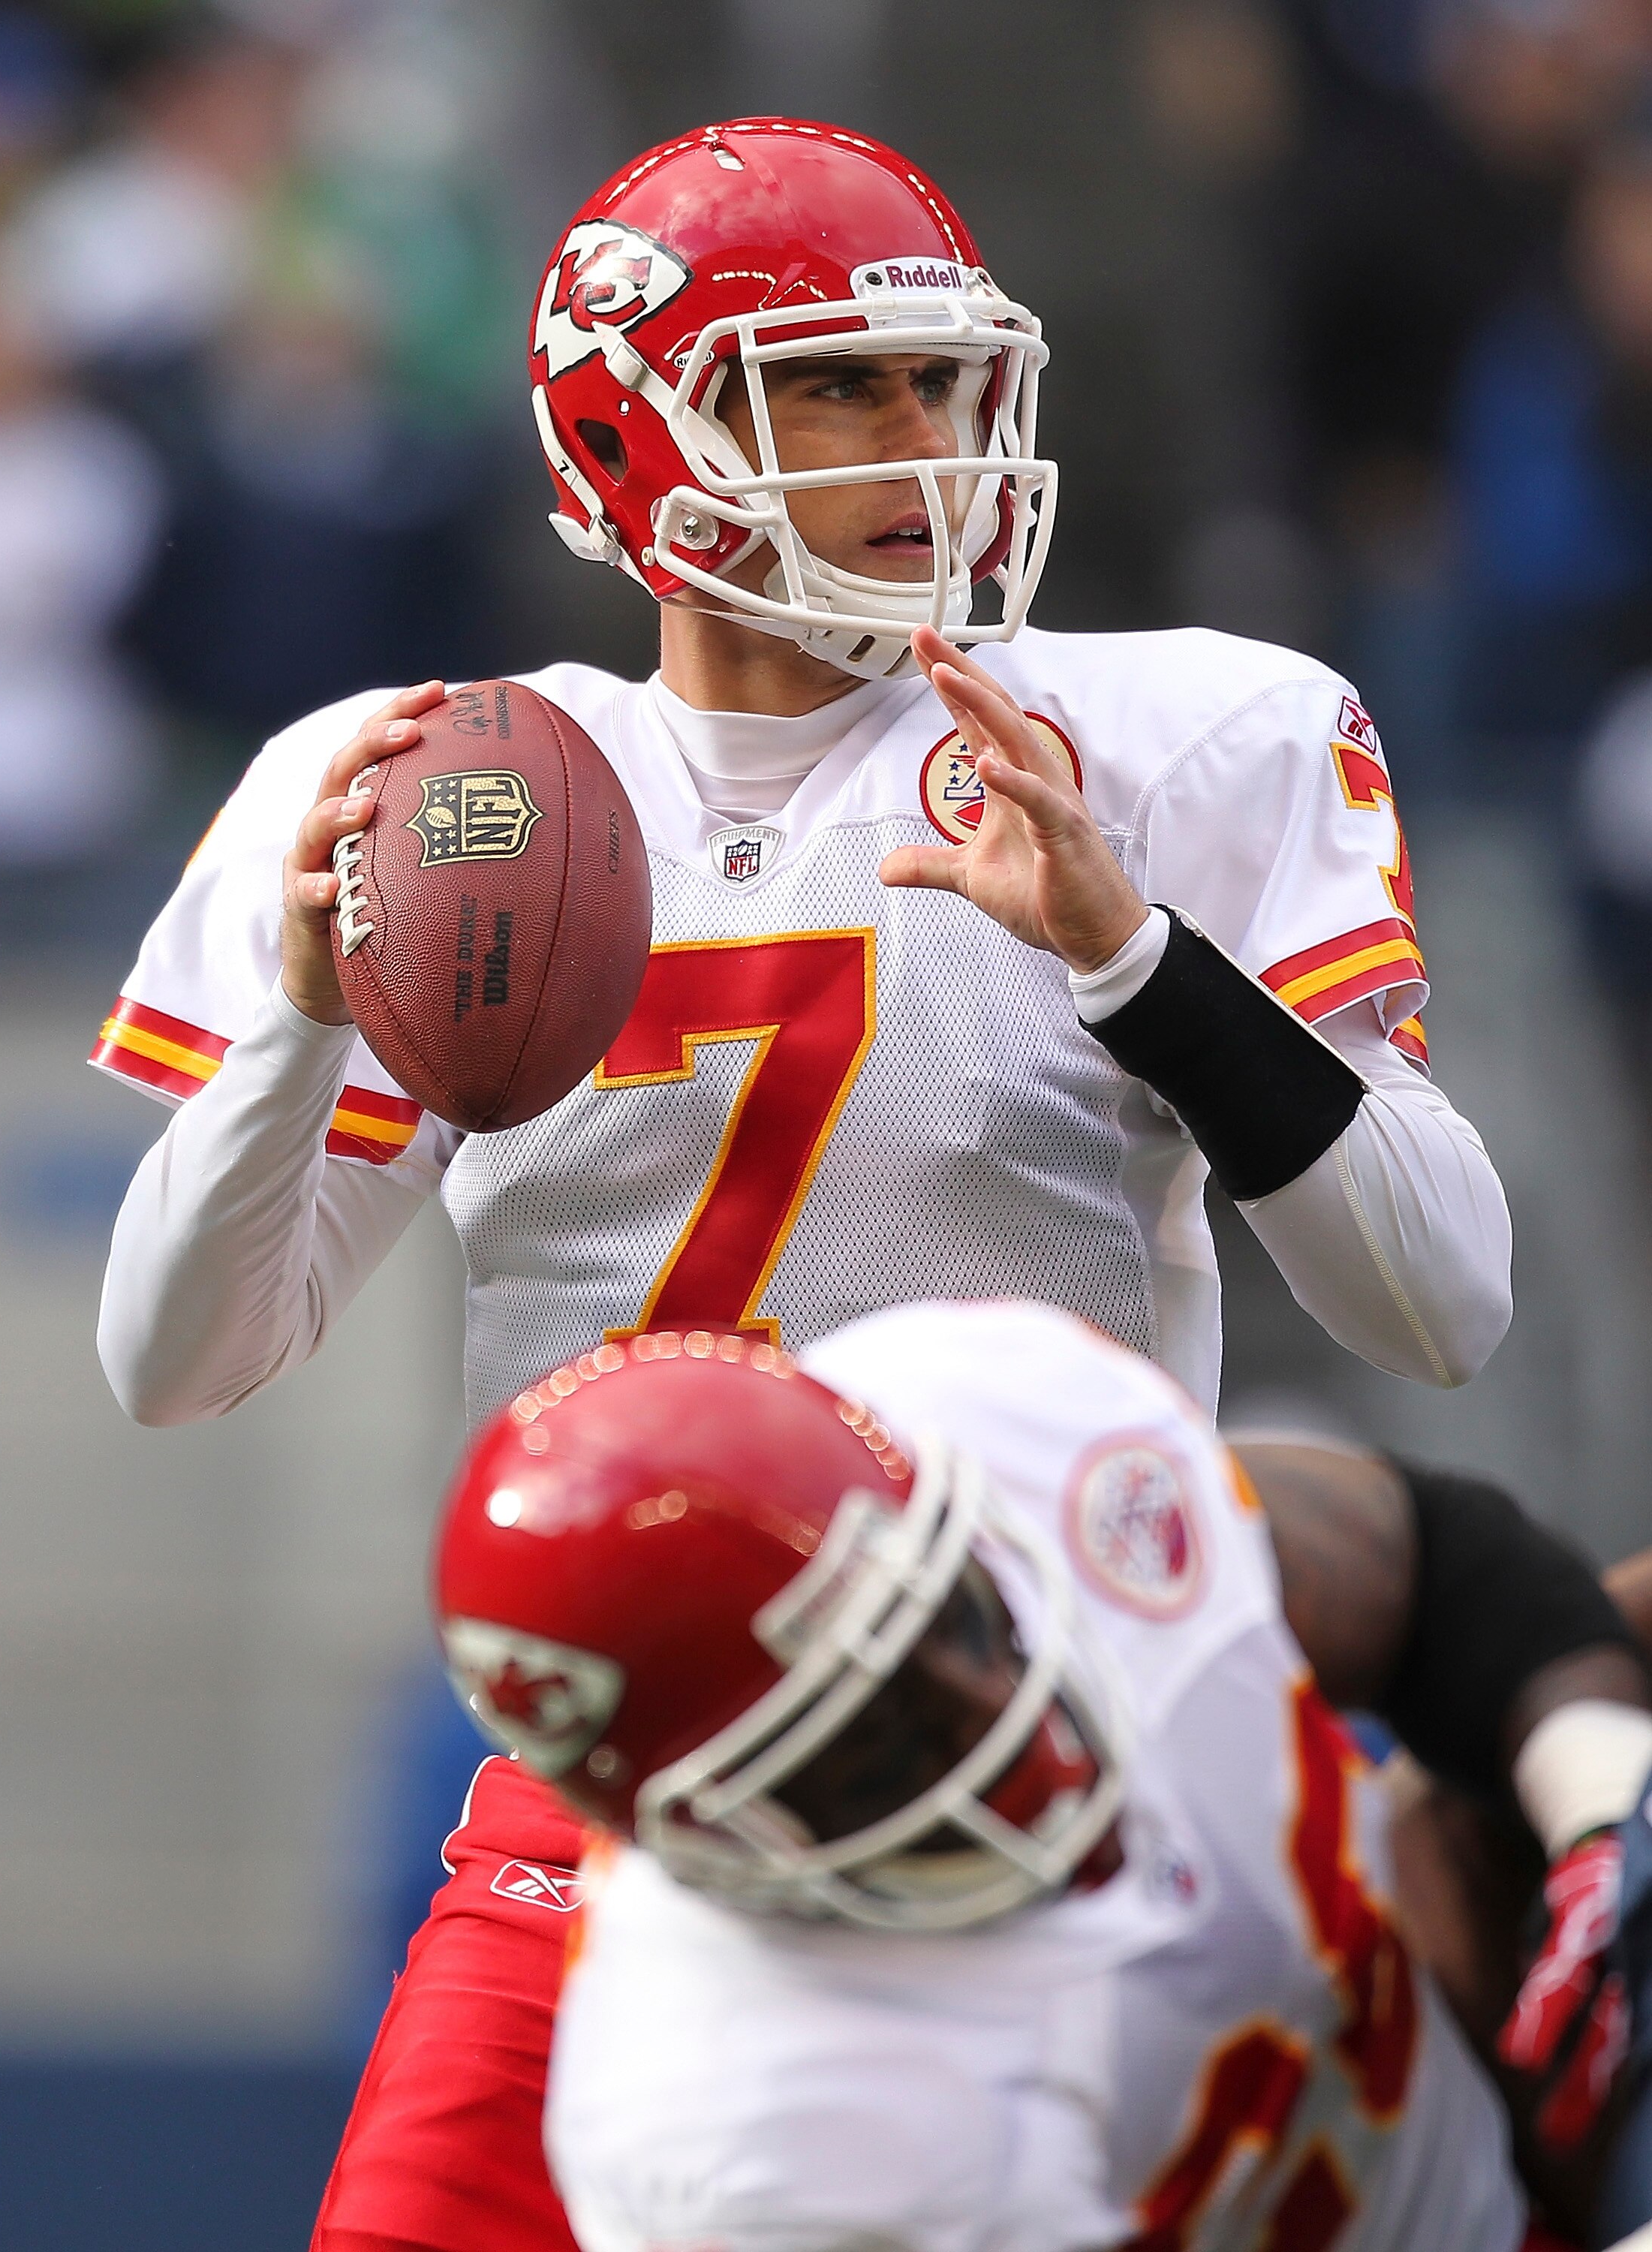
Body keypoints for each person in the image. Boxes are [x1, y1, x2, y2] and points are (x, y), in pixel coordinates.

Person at [89, 120, 1513, 2252]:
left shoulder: (1176, 739)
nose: (925, 444)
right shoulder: (428, 789)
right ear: (630, 433)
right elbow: (175, 1365)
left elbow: (1446, 1304)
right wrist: (300, 1014)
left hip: (1046, 1770)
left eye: (944, 384)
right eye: (839, 384)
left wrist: (1135, 962)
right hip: (617, 1814)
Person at [435, 1302, 1652, 2252]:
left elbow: (1427, 1565)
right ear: (707, 1841)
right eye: (873, 1739)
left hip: (1484, 2118)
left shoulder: (993, 1413)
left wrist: (1605, 1820)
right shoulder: (766, 2139)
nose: (993, 1716)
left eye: (956, 1621)